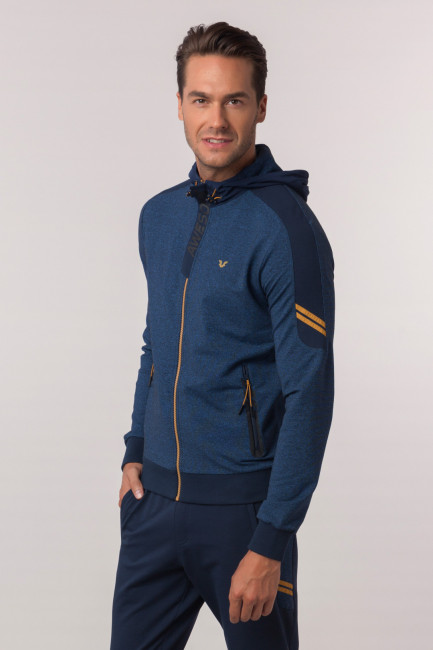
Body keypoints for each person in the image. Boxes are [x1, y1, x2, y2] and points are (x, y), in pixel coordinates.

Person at [110, 21, 335, 650]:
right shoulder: (159, 215)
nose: (216, 119)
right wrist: (136, 448)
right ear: (180, 105)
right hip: (153, 507)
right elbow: (157, 344)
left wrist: (272, 539)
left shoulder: (287, 230)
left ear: (260, 106)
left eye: (234, 100)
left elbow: (310, 393)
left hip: (243, 518)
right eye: (201, 99)